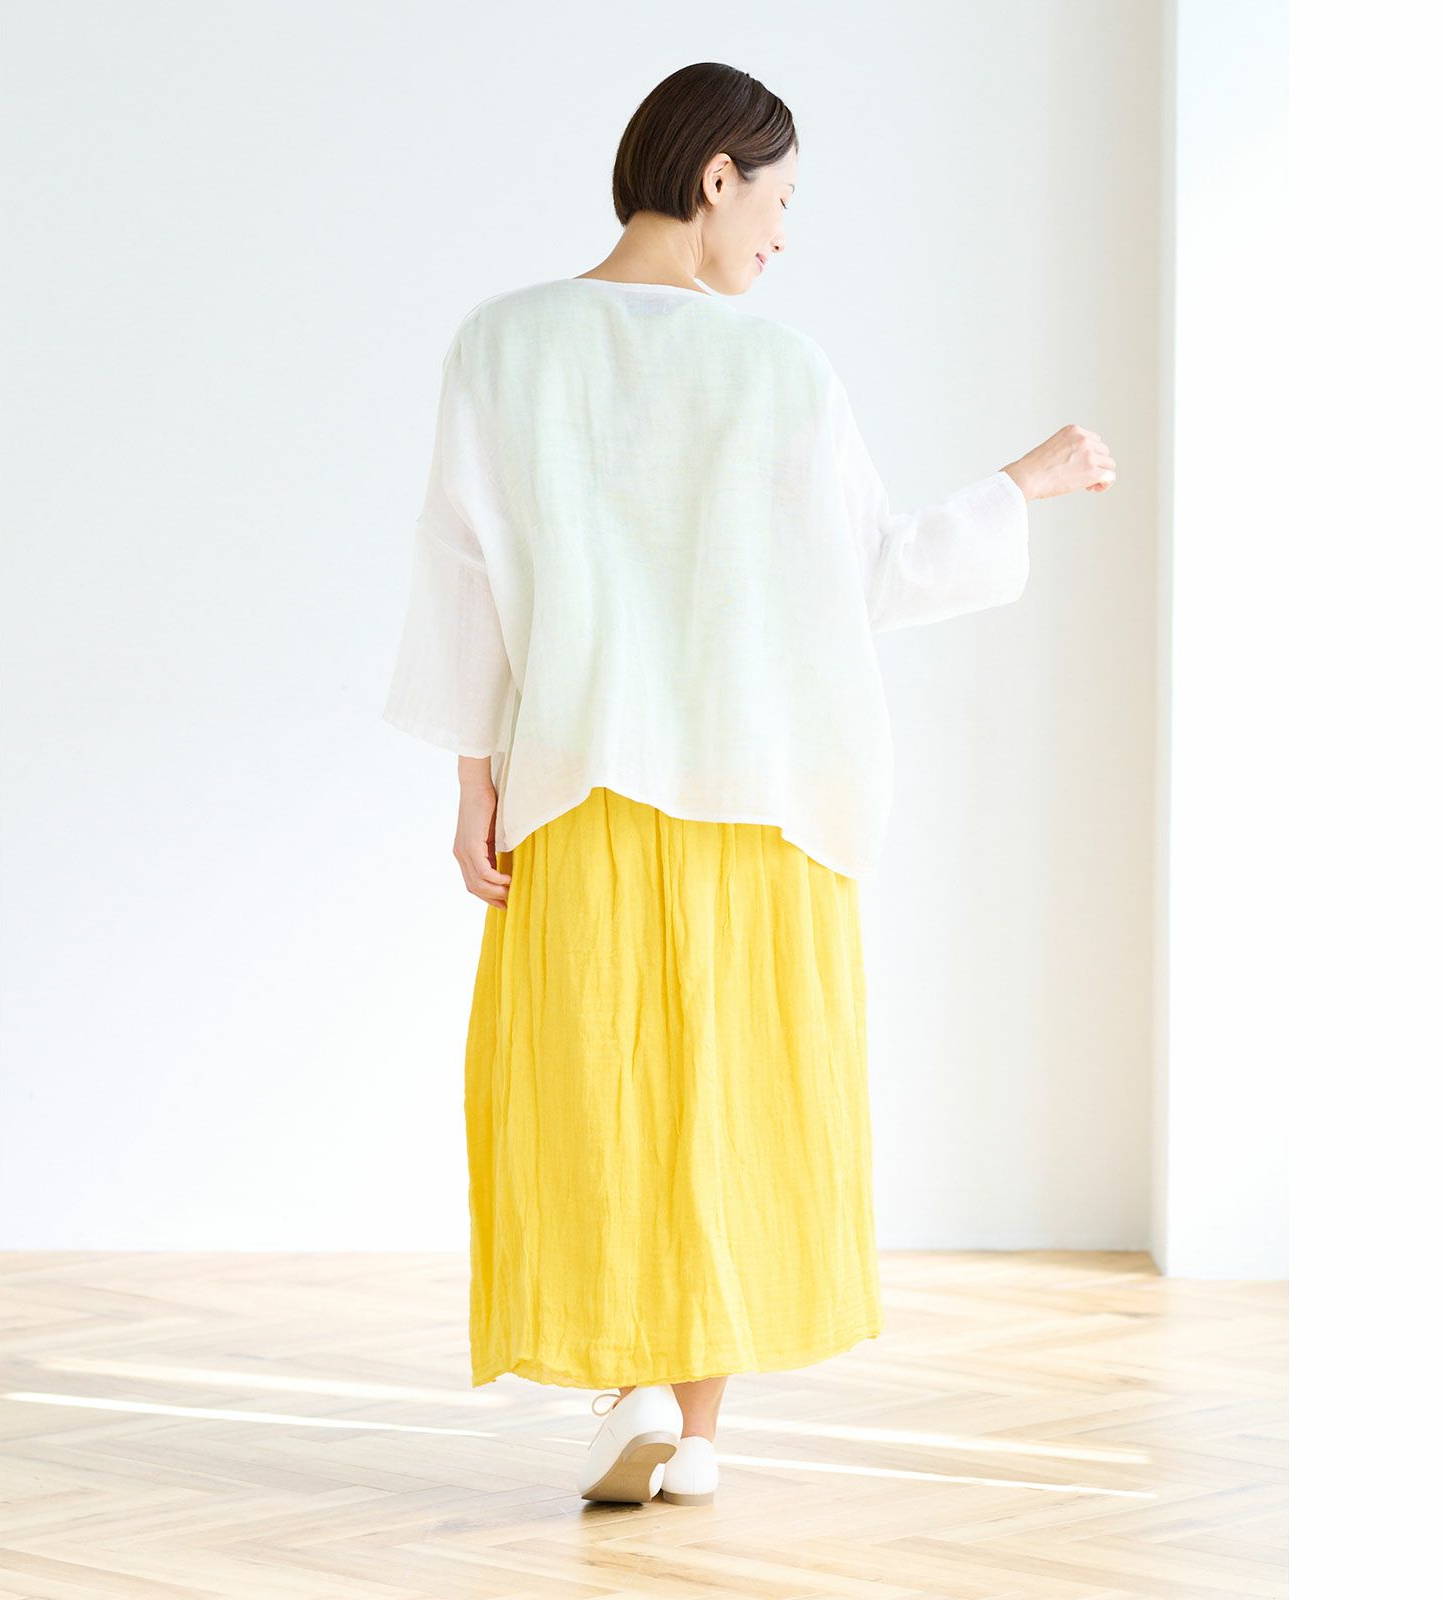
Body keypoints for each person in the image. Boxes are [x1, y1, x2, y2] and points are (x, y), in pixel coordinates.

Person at [381, 61, 1116, 1509]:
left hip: (579, 782)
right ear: (716, 178)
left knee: (596, 1085)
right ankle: (692, 1431)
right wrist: (1018, 487)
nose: (782, 234)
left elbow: (467, 579)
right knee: (726, 1095)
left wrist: (474, 780)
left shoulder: (502, 344)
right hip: (758, 790)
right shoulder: (779, 370)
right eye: (778, 200)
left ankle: (646, 1404)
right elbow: (864, 578)